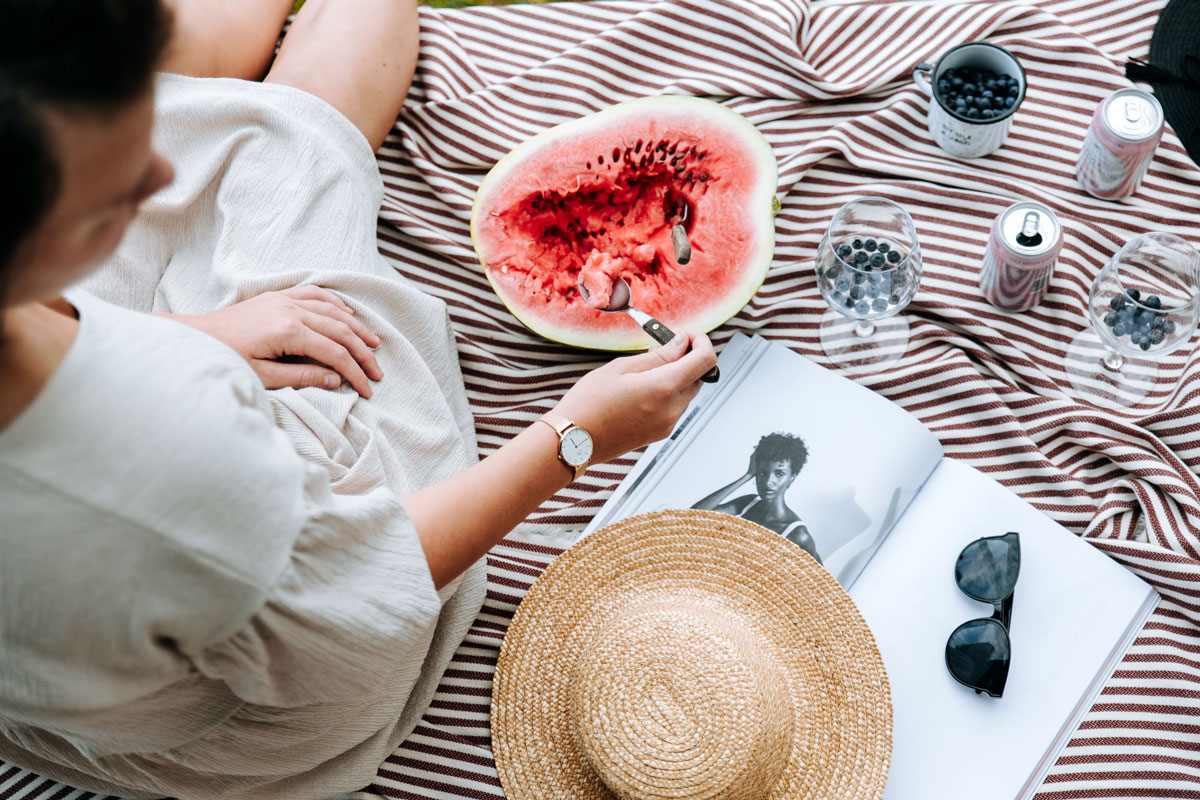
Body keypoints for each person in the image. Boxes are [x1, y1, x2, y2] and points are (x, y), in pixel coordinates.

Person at [0, 2, 716, 799]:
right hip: (267, 696)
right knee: (286, 136)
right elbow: (364, 596)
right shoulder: (175, 470)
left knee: (201, 120)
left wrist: (199, 331)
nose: (155, 170)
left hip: (72, 684)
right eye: (119, 176)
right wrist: (575, 434)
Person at [692, 432, 821, 562]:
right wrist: (747, 476)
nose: (768, 482)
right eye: (762, 473)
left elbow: (820, 579)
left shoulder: (797, 534)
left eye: (779, 474)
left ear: (791, 477)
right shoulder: (748, 504)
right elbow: (693, 516)